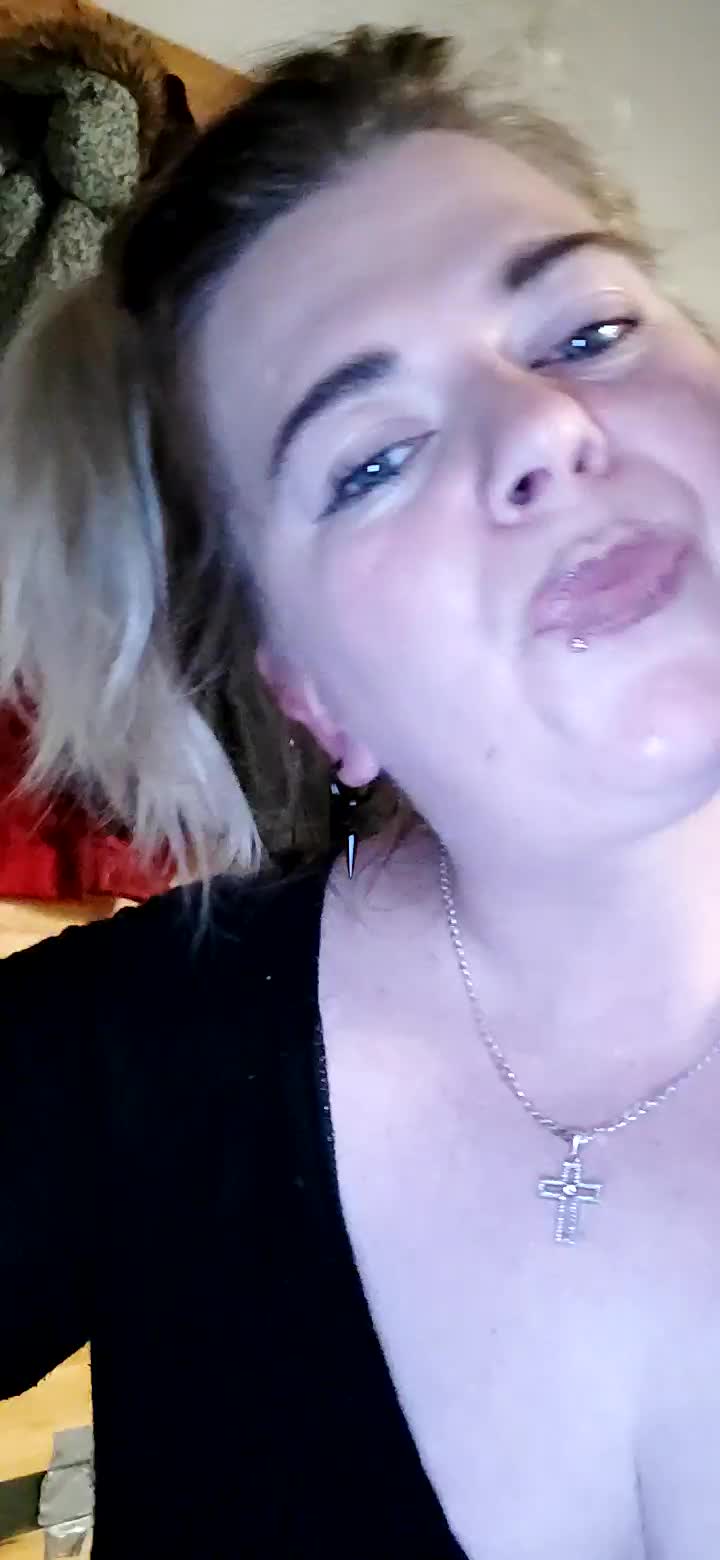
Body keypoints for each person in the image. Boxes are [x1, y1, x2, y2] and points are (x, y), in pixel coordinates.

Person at [2, 23, 720, 1557]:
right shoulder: (115, 1064)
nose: (545, 426)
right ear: (312, 694)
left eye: (591, 329)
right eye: (373, 459)